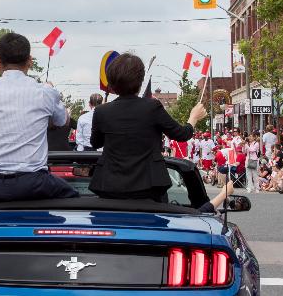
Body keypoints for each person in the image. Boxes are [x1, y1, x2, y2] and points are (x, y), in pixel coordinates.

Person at [0, 32, 79, 207]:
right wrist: (53, 96)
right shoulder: (44, 92)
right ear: (29, 61)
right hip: (35, 183)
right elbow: (62, 121)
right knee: (75, 196)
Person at [85, 53, 205, 202]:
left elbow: (95, 143)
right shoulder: (152, 107)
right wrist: (193, 117)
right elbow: (181, 134)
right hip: (149, 186)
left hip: (110, 185)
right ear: (140, 80)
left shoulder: (101, 111)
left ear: (112, 82)